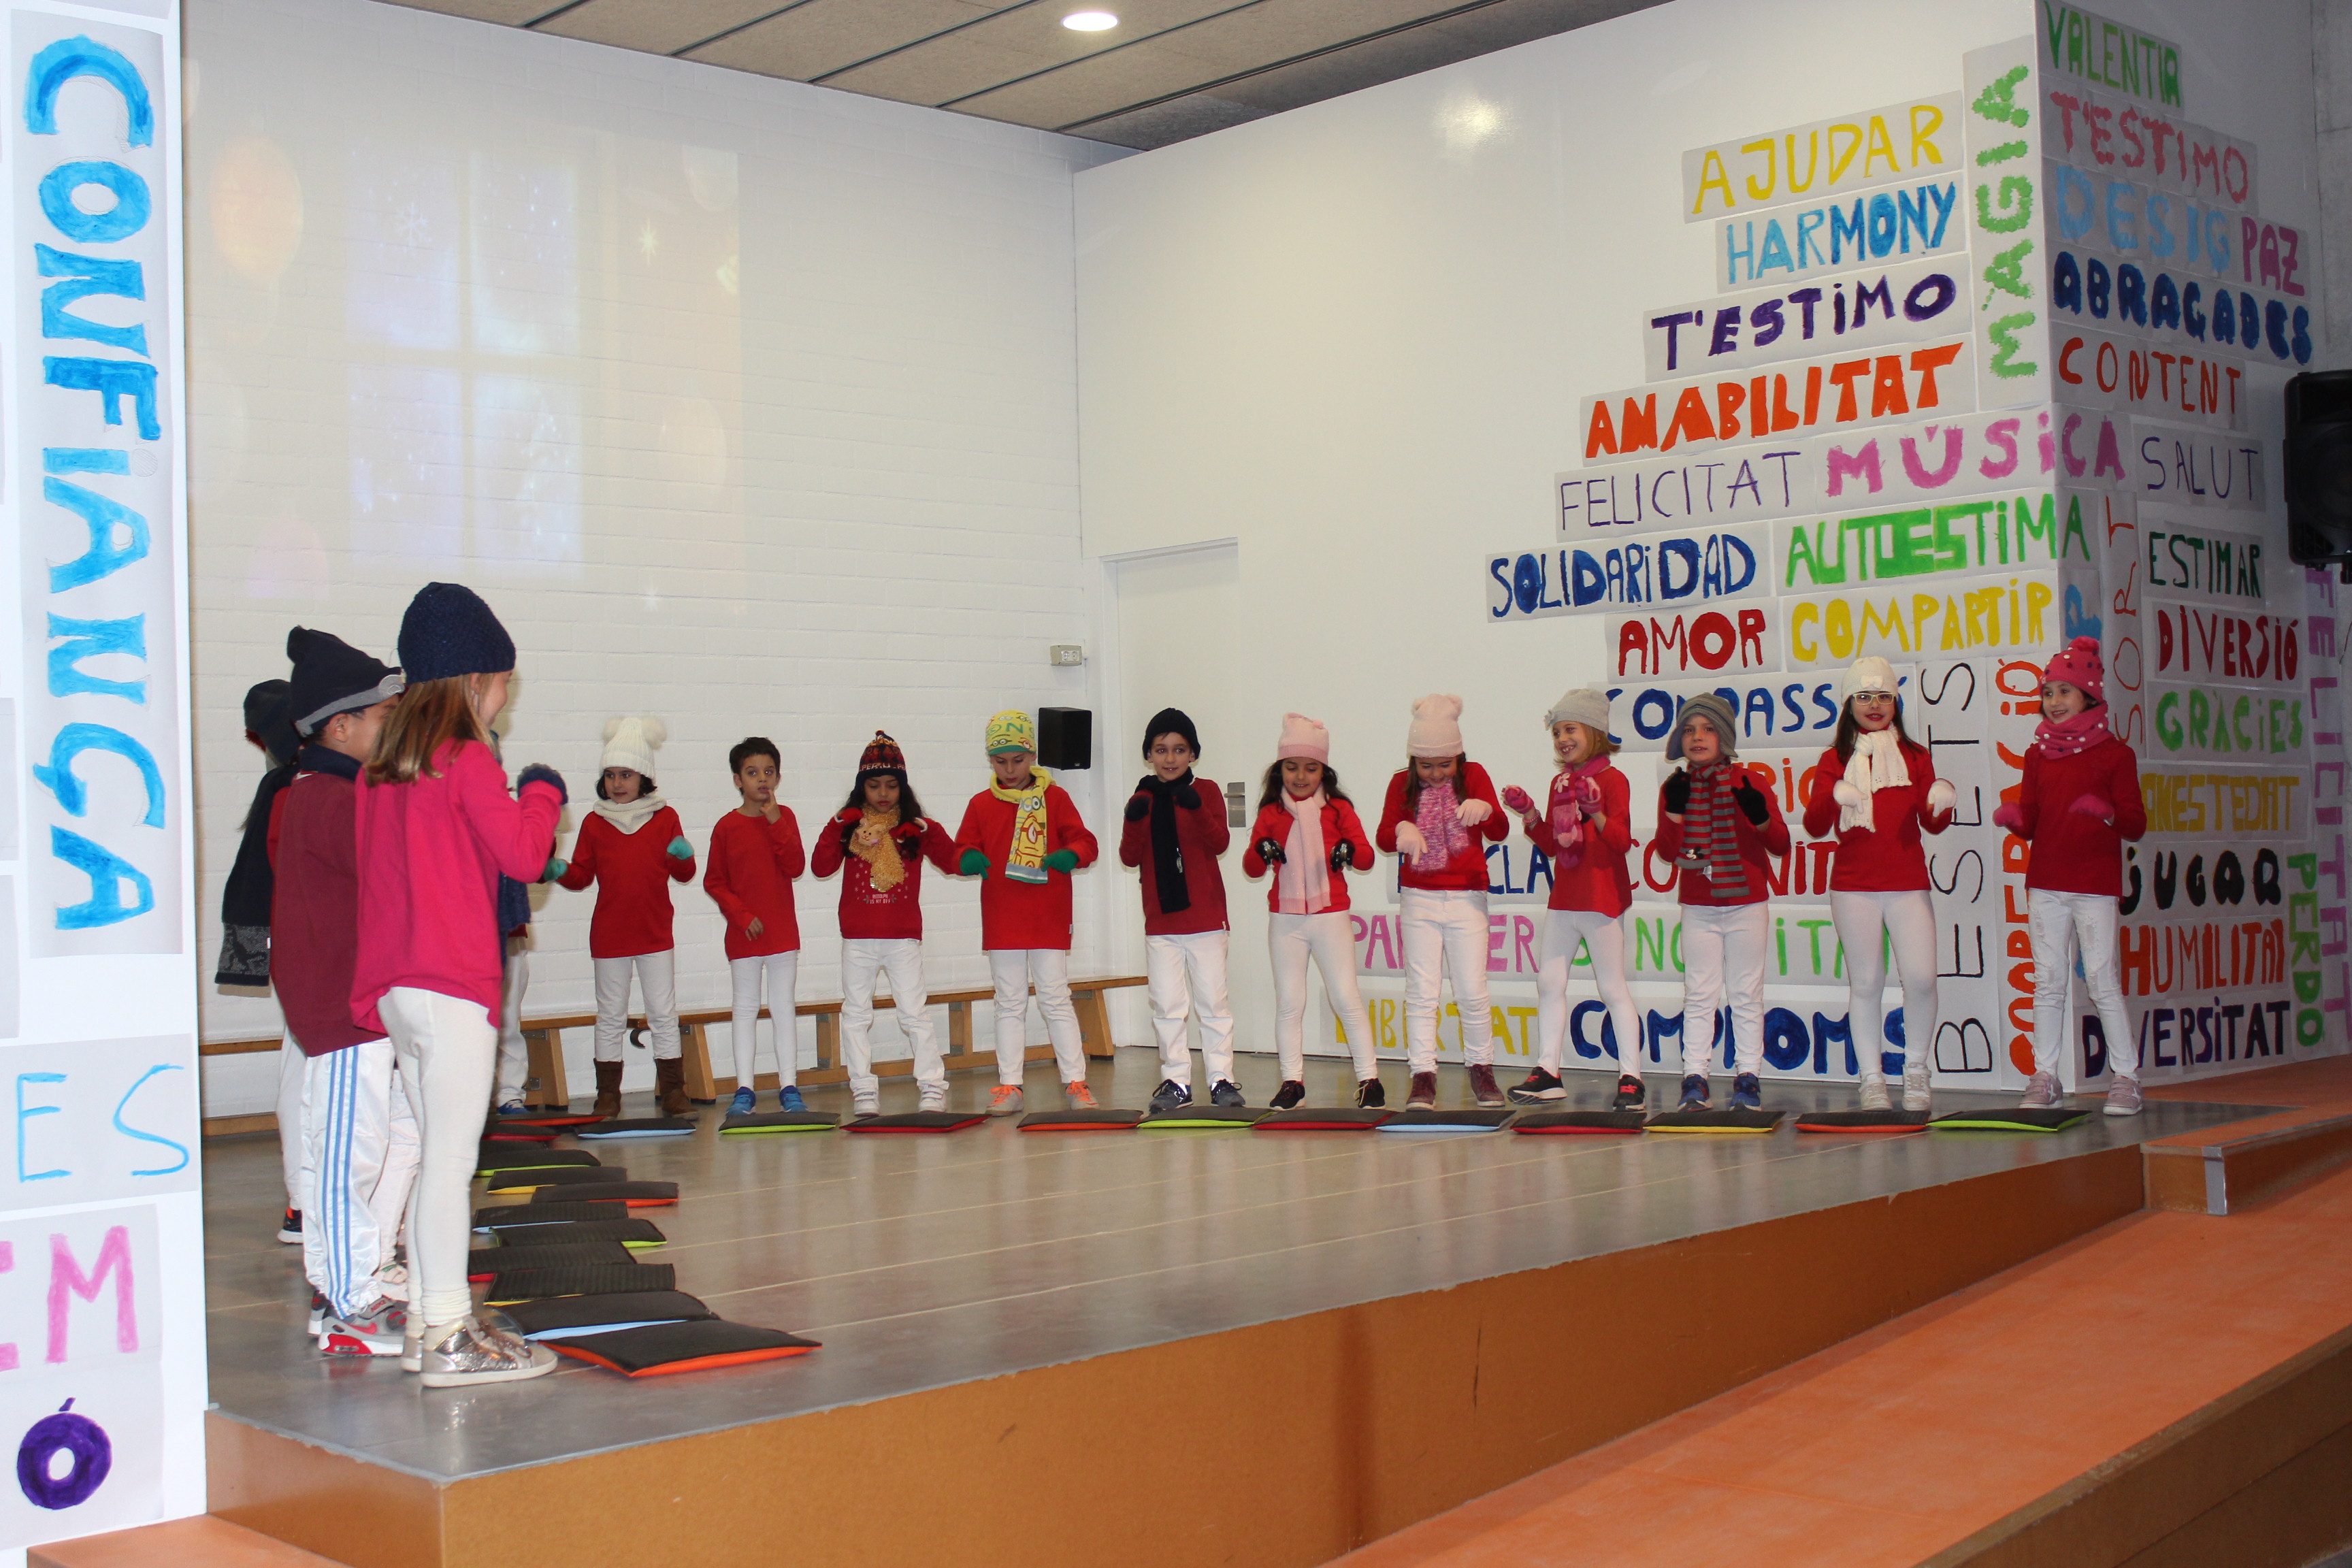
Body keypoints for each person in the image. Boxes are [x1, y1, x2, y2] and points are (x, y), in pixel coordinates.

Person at [352, 582, 564, 1387]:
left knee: (434, 1154)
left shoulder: (381, 772)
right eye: (504, 681)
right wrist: (541, 792)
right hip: (450, 985)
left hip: (400, 987)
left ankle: (424, 1323)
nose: (506, 695)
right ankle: (447, 1331)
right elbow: (525, 855)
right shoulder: (467, 759)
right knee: (449, 1160)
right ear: (475, 681)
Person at [270, 629, 411, 1356]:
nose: (394, 729)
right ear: (340, 726)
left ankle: (363, 1274)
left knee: (395, 1137)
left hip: (370, 1001)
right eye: (385, 718)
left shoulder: (344, 791)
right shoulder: (326, 798)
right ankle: (346, 1303)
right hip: (343, 1006)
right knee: (346, 1154)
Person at [1992, 637, 2148, 1115]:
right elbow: (2034, 820)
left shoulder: (2115, 755)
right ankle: (2045, 1075)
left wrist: (2106, 812)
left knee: (2101, 979)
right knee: (2048, 980)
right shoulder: (2038, 754)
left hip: (2095, 886)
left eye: (2064, 692)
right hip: (2046, 884)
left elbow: (2135, 824)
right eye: (2048, 693)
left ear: (2089, 696)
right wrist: (2016, 819)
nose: (2054, 702)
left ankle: (2127, 1077)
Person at [1801, 657, 1957, 1111]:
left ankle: (1917, 1069)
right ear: (1849, 704)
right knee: (1866, 983)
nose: (1875, 705)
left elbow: (1932, 823)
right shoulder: (1834, 759)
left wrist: (1941, 801)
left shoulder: (1916, 757)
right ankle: (1871, 1078)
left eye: (1884, 696)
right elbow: (1814, 825)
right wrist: (1833, 797)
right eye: (1865, 696)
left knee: (1922, 979)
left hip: (1908, 883)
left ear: (1896, 703)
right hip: (1854, 887)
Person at [1500, 689, 1644, 1107]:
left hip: (1601, 898)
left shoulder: (1613, 780)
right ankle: (1548, 1071)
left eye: (1571, 729)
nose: (1563, 739)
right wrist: (1530, 815)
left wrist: (1596, 811)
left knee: (1612, 987)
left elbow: (1621, 841)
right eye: (1557, 732)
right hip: (1565, 898)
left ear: (1595, 732)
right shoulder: (1560, 783)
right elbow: (1552, 844)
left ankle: (1632, 1078)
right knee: (1549, 982)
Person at [549, 717, 697, 1118]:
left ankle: (674, 1092)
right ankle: (608, 1096)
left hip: (654, 933)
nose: (617, 783)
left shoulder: (665, 817)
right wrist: (559, 870)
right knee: (610, 1017)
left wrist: (683, 856)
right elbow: (582, 876)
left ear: (644, 777)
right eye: (611, 775)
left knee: (663, 1014)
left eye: (626, 774)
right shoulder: (594, 822)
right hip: (610, 935)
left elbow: (684, 874)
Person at [955, 710, 1099, 1117]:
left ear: (1032, 755)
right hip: (1003, 915)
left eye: (1018, 760)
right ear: (990, 761)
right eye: (1000, 761)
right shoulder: (981, 804)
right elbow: (960, 849)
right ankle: (1009, 1085)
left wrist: (1071, 854)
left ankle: (1076, 1082)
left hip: (1047, 913)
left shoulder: (1056, 798)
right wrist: (967, 857)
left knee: (1055, 997)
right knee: (1009, 1001)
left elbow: (1087, 842)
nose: (1010, 769)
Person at [810, 732, 960, 1116]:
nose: (883, 793)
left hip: (901, 937)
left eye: (892, 785)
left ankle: (932, 1087)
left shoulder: (913, 829)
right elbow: (821, 867)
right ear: (861, 787)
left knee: (914, 1013)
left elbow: (953, 862)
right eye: (874, 785)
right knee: (856, 1014)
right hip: (858, 938)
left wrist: (931, 831)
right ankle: (863, 1089)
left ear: (902, 788)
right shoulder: (852, 828)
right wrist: (836, 825)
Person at [1656, 693, 1790, 1110]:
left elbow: (1781, 844)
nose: (1698, 737)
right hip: (1699, 905)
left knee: (1746, 993)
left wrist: (1759, 817)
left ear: (1725, 737)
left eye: (1708, 729)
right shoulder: (1675, 787)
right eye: (1689, 730)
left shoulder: (1750, 781)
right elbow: (1668, 852)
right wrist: (1675, 813)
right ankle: (1694, 1077)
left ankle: (1748, 1077)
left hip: (1747, 903)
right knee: (1699, 994)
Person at [1242, 713, 1384, 1108]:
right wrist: (1261, 850)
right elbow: (1252, 869)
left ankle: (1369, 1080)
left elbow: (1367, 857)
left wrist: (1350, 850)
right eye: (1292, 767)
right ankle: (1293, 1082)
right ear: (1280, 769)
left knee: (1346, 997)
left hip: (1330, 915)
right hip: (1286, 919)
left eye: (1310, 768)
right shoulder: (1271, 813)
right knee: (1290, 1002)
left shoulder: (1338, 809)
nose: (1300, 776)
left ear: (1324, 770)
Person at [1375, 695, 1509, 1110]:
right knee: (1421, 992)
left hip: (1467, 896)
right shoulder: (1401, 784)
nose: (1435, 774)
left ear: (1459, 756)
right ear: (1413, 760)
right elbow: (1382, 837)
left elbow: (1500, 831)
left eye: (1445, 765)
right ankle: (1423, 1076)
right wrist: (1402, 829)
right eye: (1426, 765)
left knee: (1472, 990)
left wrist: (1486, 810)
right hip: (1420, 898)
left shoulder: (1475, 776)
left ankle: (1482, 1069)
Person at [218, 677, 307, 1241]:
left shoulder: (288, 784)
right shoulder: (288, 788)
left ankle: (307, 1201)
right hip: (310, 955)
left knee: (308, 1070)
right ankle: (303, 1203)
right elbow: (257, 885)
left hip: (310, 951)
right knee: (307, 1072)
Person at [1118, 708, 1239, 1111]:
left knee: (1213, 1005)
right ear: (1148, 755)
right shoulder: (1142, 798)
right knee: (1168, 1006)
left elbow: (1219, 842)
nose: (1170, 758)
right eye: (1161, 750)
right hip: (1162, 922)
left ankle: (1222, 1079)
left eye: (1179, 749)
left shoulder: (1206, 791)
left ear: (1193, 754)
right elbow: (1129, 856)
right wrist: (1133, 820)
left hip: (1205, 920)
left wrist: (1196, 808)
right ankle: (1176, 1081)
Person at [705, 737, 808, 1111]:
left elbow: (795, 865)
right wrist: (742, 916)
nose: (762, 779)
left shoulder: (786, 817)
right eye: (752, 773)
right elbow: (714, 881)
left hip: (782, 935)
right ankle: (745, 1089)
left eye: (768, 772)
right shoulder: (727, 826)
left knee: (783, 1008)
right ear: (738, 780)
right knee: (745, 1009)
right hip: (744, 935)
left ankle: (789, 1086)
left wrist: (776, 821)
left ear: (778, 777)